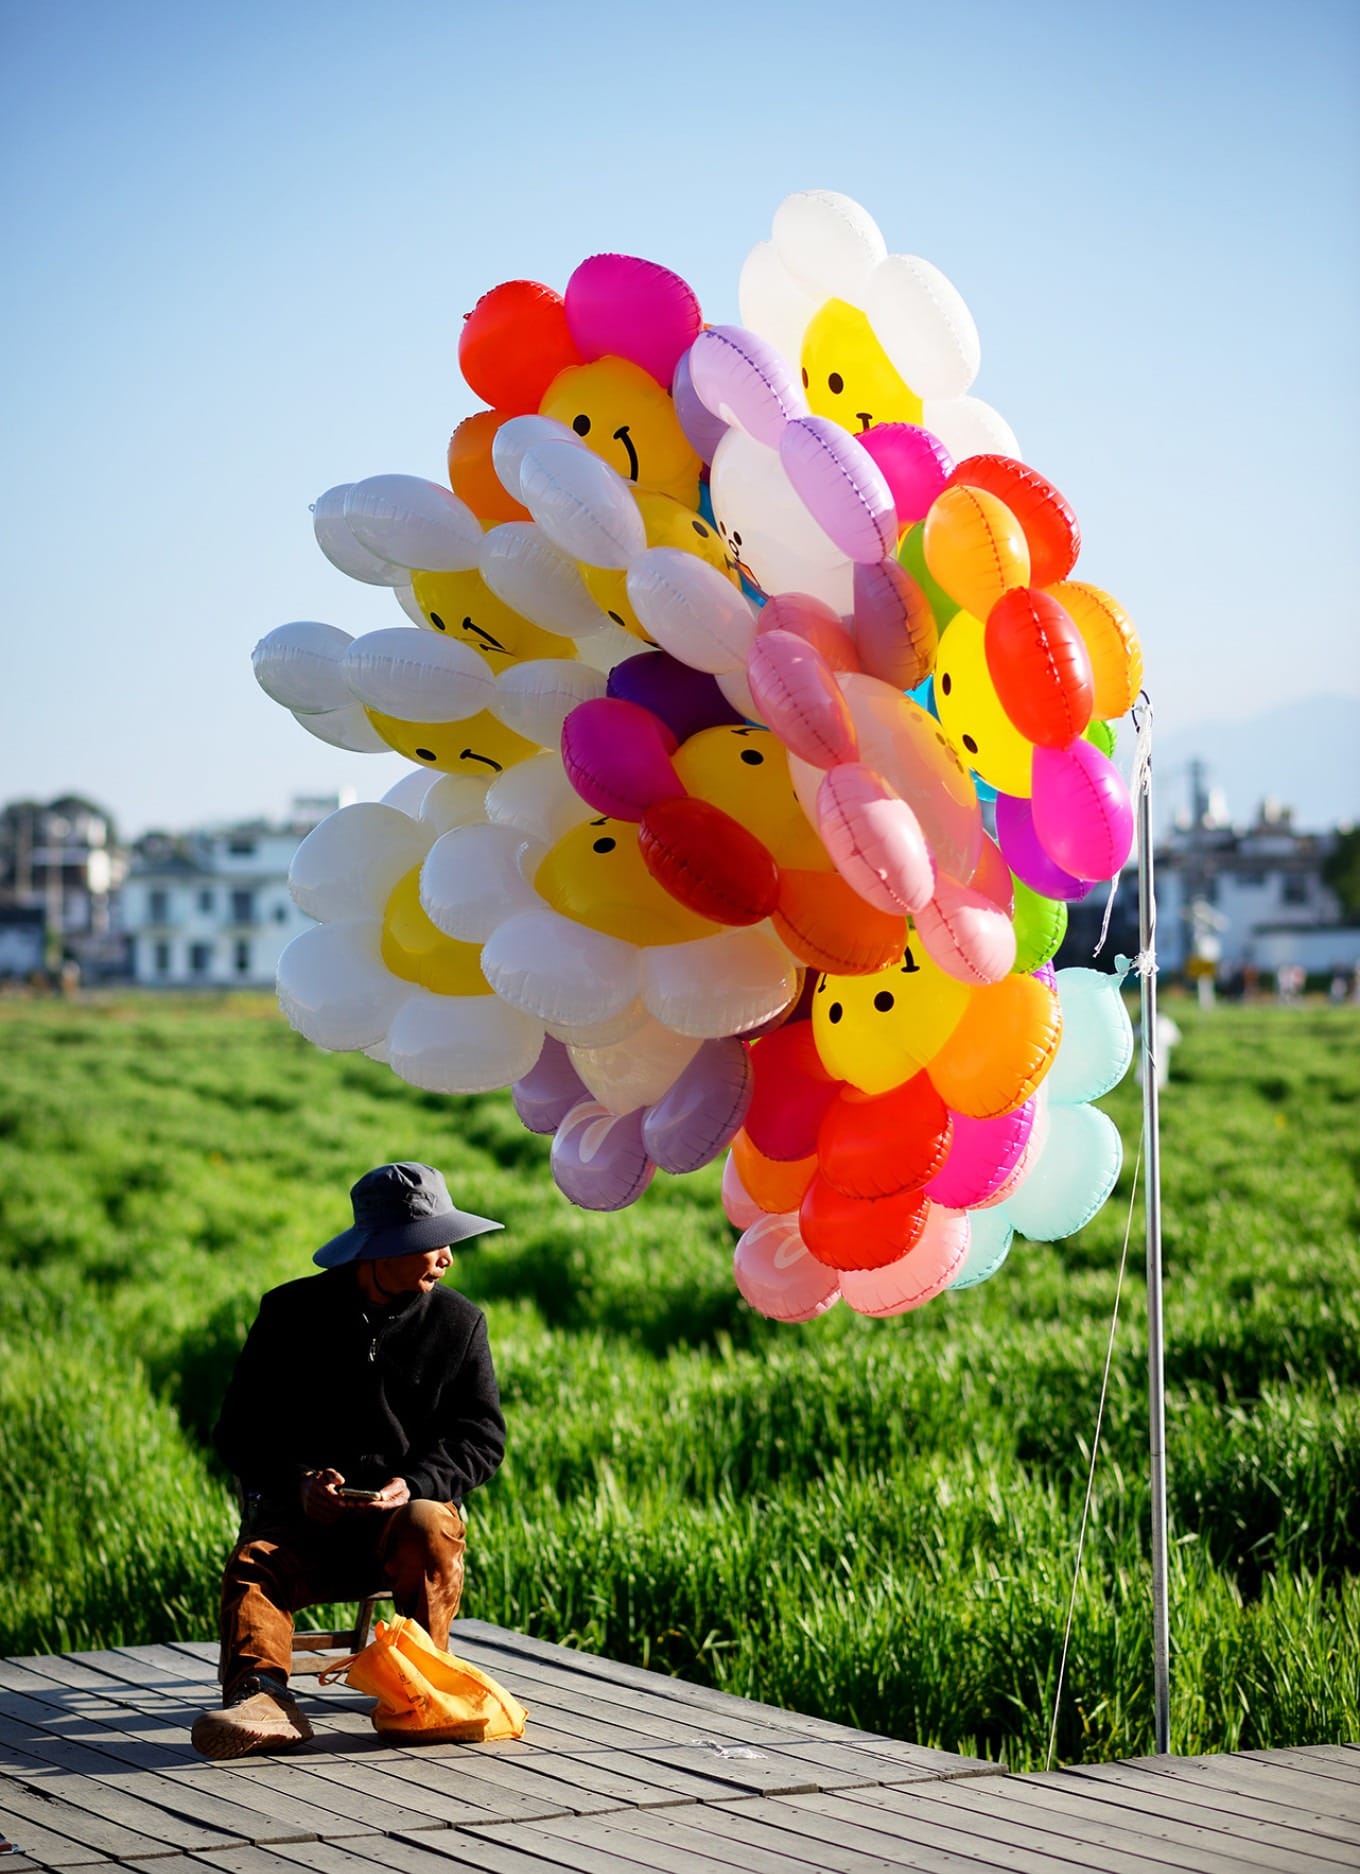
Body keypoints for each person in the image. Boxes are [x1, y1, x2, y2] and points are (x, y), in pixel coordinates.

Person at [190, 1162, 506, 1760]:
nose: (447, 1258)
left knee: (429, 1522)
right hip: (303, 1522)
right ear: (381, 1250)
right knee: (255, 1564)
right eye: (430, 1244)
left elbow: (481, 1438)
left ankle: (419, 1686)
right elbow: (236, 1432)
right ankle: (263, 1699)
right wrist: (298, 1481)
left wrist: (412, 1485)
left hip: (399, 1525)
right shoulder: (288, 1315)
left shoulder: (460, 1324)